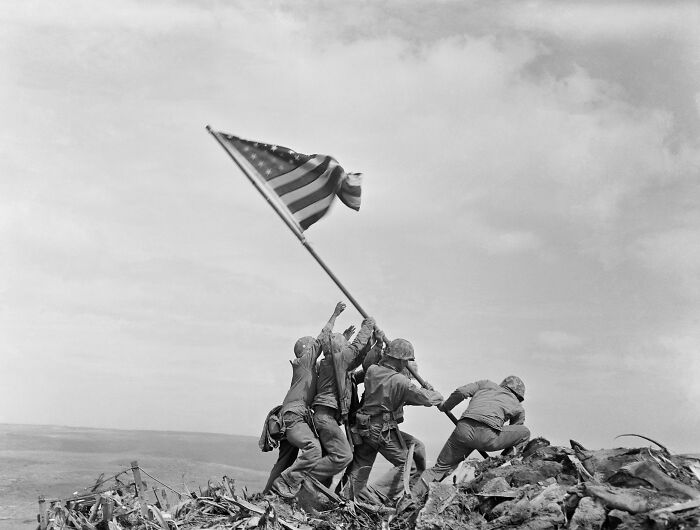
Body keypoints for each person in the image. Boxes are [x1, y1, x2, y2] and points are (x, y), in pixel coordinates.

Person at [342, 338, 443, 501]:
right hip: (382, 430)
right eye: (406, 362)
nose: (406, 365)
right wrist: (434, 392)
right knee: (408, 466)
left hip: (364, 427)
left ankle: (347, 498)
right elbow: (427, 399)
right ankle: (373, 495)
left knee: (361, 465)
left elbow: (401, 397)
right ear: (401, 360)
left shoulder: (372, 371)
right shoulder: (401, 381)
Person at [267, 302, 346, 498]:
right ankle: (287, 483)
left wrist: (345, 338)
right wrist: (335, 315)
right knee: (313, 448)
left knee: (285, 460)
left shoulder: (309, 369)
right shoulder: (304, 362)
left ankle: (267, 494)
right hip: (294, 416)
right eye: (313, 348)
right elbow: (322, 339)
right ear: (307, 349)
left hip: (293, 416)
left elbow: (332, 357)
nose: (316, 350)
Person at [411, 375, 530, 500]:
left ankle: (412, 498)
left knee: (438, 469)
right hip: (488, 437)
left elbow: (461, 392)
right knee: (524, 432)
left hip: (463, 430)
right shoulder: (518, 407)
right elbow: (515, 432)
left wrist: (445, 407)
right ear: (519, 395)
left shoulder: (486, 384)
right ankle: (505, 465)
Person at [309, 315, 376, 485]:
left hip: (325, 416)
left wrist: (372, 344)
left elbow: (357, 358)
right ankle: (304, 477)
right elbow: (356, 347)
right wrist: (367, 325)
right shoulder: (338, 360)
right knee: (343, 455)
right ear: (340, 349)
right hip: (325, 417)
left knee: (330, 458)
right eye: (345, 346)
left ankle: (312, 490)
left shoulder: (331, 363)